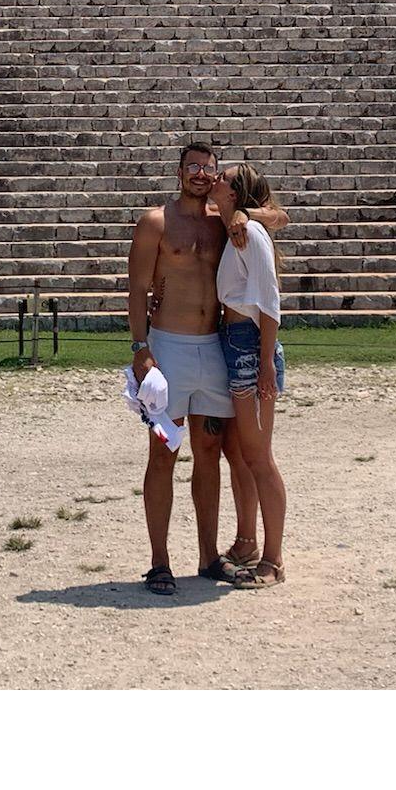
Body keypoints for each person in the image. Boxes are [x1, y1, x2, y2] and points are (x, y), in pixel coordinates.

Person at [127, 141, 287, 595]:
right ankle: (159, 561)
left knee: (210, 452)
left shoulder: (227, 221)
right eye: (192, 166)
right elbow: (137, 289)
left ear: (218, 177)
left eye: (209, 168)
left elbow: (278, 216)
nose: (201, 173)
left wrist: (248, 215)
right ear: (178, 172)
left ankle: (207, 555)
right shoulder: (157, 221)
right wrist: (141, 348)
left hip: (215, 348)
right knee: (163, 453)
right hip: (171, 347)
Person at [212, 162, 287, 587]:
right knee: (238, 453)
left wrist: (264, 364)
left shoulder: (249, 232)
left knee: (259, 457)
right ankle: (247, 541)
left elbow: (269, 302)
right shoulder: (232, 226)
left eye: (222, 177)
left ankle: (273, 559)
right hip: (233, 338)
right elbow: (279, 213)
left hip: (248, 343)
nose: (214, 179)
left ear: (236, 191)